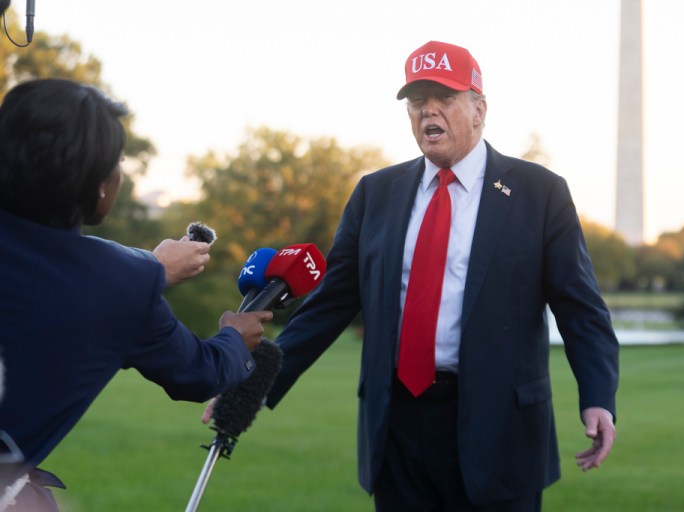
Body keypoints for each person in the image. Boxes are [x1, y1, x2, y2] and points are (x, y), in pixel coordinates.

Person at [207, 40, 620, 511]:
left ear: (479, 109)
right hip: (396, 433)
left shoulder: (539, 193)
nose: (429, 111)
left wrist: (598, 397)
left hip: (500, 434)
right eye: (417, 100)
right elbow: (329, 305)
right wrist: (253, 383)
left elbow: (580, 310)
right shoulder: (375, 193)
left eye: (445, 97)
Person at [0, 78, 273, 511]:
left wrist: (150, 268)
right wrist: (236, 337)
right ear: (98, 185)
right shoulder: (123, 287)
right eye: (119, 160)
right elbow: (199, 372)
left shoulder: (119, 281)